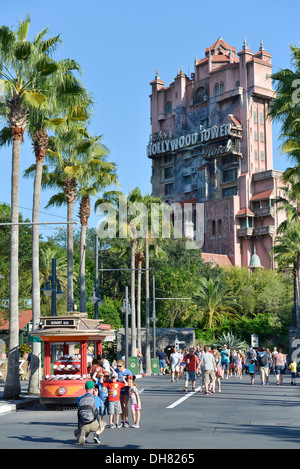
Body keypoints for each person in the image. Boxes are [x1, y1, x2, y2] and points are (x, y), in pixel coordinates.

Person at [74, 380, 106, 445]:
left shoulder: (80, 398)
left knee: (79, 431)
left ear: (85, 388)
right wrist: (96, 395)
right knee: (103, 424)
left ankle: (81, 436)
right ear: (94, 388)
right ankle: (96, 435)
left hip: (82, 424)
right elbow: (101, 405)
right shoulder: (96, 398)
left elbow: (78, 405)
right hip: (93, 423)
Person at [114, 359, 133, 427]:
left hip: (126, 390)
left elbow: (132, 380)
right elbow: (112, 378)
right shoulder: (116, 371)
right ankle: (122, 421)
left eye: (120, 366)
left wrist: (127, 378)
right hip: (119, 390)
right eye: (117, 366)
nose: (118, 367)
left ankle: (127, 421)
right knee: (121, 405)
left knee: (124, 405)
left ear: (123, 365)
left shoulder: (127, 372)